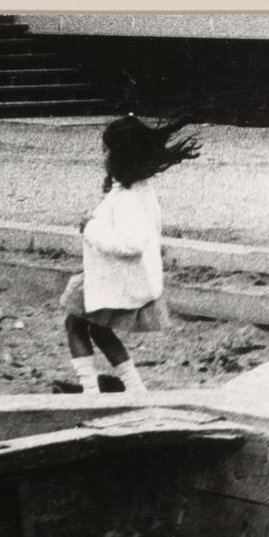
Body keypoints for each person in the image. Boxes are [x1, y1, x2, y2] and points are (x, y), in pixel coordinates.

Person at [58, 114, 200, 394]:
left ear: (119, 156)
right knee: (97, 329)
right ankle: (135, 389)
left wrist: (91, 228)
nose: (103, 156)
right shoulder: (139, 190)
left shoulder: (128, 199)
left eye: (106, 150)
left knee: (74, 325)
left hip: (114, 280)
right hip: (120, 277)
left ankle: (89, 391)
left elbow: (131, 244)